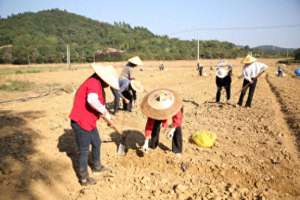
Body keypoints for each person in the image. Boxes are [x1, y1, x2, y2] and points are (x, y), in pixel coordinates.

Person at [69, 64, 119, 186]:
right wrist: (105, 112)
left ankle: (97, 166)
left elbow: (96, 105)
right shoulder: (93, 82)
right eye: (108, 82)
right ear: (103, 78)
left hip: (89, 121)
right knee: (84, 151)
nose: (108, 85)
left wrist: (106, 117)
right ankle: (84, 178)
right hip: (81, 122)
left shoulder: (97, 83)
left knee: (97, 142)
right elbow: (92, 100)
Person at [141, 89, 183, 155]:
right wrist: (145, 142)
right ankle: (153, 144)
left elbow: (177, 119)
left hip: (174, 110)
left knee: (178, 128)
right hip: (157, 112)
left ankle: (177, 150)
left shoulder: (174, 105)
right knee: (155, 125)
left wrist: (172, 130)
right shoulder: (153, 109)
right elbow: (149, 126)